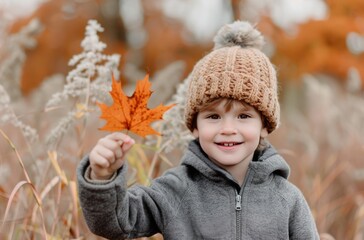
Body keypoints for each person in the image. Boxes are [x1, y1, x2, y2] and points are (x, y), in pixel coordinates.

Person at [77, 20, 319, 239]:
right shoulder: (176, 190)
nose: (227, 129)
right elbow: (116, 223)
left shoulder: (287, 199)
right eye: (213, 116)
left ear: (264, 125)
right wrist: (102, 176)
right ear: (194, 126)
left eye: (243, 116)